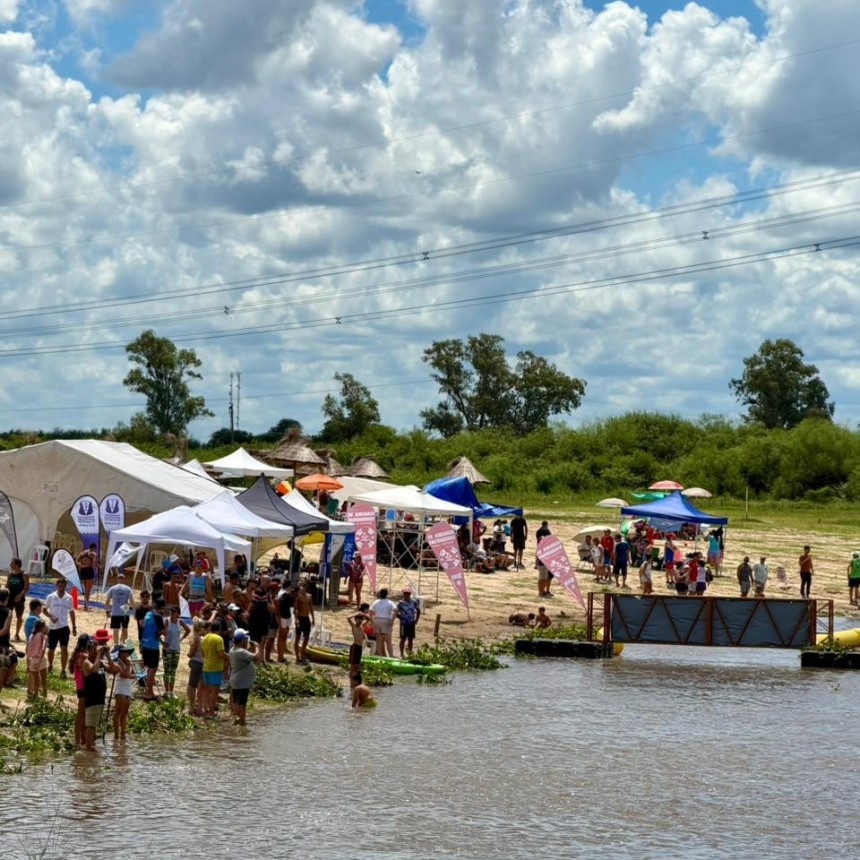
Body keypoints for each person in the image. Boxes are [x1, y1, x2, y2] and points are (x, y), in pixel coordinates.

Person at [81, 633, 118, 751]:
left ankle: (91, 748)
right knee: (90, 726)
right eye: (93, 649)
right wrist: (98, 654)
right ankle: (89, 749)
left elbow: (114, 670)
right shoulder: (86, 662)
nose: (96, 651)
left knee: (94, 725)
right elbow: (93, 669)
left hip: (99, 699)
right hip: (92, 699)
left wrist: (107, 655)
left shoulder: (100, 661)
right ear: (89, 650)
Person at [44, 578, 77, 676]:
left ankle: (63, 670)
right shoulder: (51, 597)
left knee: (64, 649)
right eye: (60, 586)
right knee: (51, 649)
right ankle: (50, 665)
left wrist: (74, 626)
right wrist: (51, 617)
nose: (62, 588)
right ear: (57, 586)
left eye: (63, 586)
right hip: (52, 627)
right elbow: (44, 609)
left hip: (63, 627)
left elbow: (71, 612)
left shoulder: (69, 598)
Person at [229, 629, 261, 726]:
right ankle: (241, 721)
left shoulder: (234, 649)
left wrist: (250, 649)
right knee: (241, 703)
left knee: (237, 701)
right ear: (241, 640)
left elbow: (246, 655)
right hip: (242, 682)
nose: (247, 640)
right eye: (245, 638)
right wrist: (257, 647)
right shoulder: (240, 652)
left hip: (237, 680)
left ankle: (237, 720)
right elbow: (256, 658)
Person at [140, 598, 166, 700]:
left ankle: (149, 691)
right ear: (161, 608)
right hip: (153, 646)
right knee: (152, 669)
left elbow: (151, 630)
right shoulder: (158, 616)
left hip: (145, 643)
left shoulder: (148, 614)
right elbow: (164, 631)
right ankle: (149, 692)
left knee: (148, 668)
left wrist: (162, 642)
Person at [200, 619, 227, 718]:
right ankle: (211, 712)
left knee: (206, 690)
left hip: (206, 667)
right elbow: (221, 654)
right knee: (214, 692)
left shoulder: (205, 638)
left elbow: (203, 653)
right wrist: (229, 657)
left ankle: (206, 709)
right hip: (215, 668)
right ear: (219, 629)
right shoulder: (218, 639)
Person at [162, 605, 190, 698]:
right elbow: (159, 632)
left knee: (173, 671)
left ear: (178, 613)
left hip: (176, 649)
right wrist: (162, 642)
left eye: (174, 612)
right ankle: (166, 691)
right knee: (167, 670)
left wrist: (181, 639)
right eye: (171, 612)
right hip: (168, 649)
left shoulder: (180, 622)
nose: (172, 613)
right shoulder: (167, 621)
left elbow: (188, 630)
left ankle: (171, 691)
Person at [112, 644, 136, 740]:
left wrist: (129, 667)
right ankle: (116, 734)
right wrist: (128, 666)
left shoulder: (128, 662)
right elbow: (124, 675)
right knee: (118, 712)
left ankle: (123, 733)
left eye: (128, 652)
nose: (127, 653)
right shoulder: (118, 662)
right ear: (120, 653)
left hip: (128, 688)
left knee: (125, 713)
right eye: (125, 652)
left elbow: (134, 674)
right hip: (120, 689)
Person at [104, 571, 134, 645]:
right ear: (124, 580)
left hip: (115, 612)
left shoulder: (112, 588)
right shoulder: (128, 589)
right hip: (125, 612)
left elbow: (107, 601)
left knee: (116, 630)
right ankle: (123, 642)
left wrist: (107, 611)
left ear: (117, 580)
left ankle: (116, 644)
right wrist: (131, 608)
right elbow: (132, 601)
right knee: (125, 629)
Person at [0, 588, 19, 696]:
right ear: (7, 598)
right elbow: (5, 630)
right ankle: (6, 682)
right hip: (2, 644)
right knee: (4, 667)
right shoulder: (9, 612)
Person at [186, 618, 206, 716]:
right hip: (198, 663)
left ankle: (195, 706)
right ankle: (194, 706)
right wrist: (189, 654)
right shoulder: (198, 638)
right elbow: (193, 651)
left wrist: (189, 655)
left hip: (197, 662)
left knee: (196, 685)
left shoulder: (194, 636)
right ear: (201, 628)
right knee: (195, 685)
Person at [6, 557, 29, 641]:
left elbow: (26, 587)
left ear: (17, 565)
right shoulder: (10, 574)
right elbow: (7, 585)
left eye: (12, 563)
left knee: (19, 617)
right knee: (8, 616)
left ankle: (17, 634)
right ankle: (7, 633)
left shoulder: (24, 575)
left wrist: (20, 595)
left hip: (19, 599)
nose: (10, 565)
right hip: (9, 599)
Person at [369, 588, 397, 658]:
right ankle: (391, 655)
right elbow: (395, 610)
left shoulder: (376, 602)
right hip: (386, 620)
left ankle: (380, 655)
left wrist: (372, 621)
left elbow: (371, 612)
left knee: (379, 640)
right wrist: (392, 619)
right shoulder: (390, 602)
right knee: (388, 640)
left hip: (377, 620)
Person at [26, 619, 48, 700]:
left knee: (36, 681)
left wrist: (28, 663)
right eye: (45, 626)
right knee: (44, 680)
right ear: (42, 628)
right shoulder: (44, 636)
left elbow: (27, 649)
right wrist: (39, 662)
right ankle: (44, 697)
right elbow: (43, 649)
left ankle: (35, 696)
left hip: (32, 659)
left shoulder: (31, 635)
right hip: (40, 659)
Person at [293, 583, 315, 665]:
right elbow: (295, 609)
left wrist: (313, 619)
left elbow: (311, 608)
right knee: (297, 638)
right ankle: (297, 657)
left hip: (306, 618)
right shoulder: (298, 597)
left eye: (303, 586)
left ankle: (302, 655)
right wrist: (296, 619)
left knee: (306, 637)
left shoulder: (309, 596)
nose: (302, 588)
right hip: (300, 618)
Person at [395, 588, 420, 658]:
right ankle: (401, 653)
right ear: (403, 594)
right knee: (402, 638)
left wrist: (416, 620)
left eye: (408, 594)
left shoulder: (414, 602)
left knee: (410, 639)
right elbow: (395, 611)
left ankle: (410, 653)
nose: (406, 595)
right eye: (405, 594)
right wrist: (400, 617)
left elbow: (418, 610)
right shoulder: (400, 603)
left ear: (410, 594)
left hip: (411, 623)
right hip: (403, 624)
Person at [347, 605, 369, 674]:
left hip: (360, 647)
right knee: (353, 664)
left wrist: (363, 614)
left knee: (357, 664)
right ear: (356, 619)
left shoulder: (362, 627)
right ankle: (351, 675)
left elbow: (369, 619)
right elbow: (348, 618)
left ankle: (354, 675)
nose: (359, 621)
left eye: (361, 619)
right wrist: (356, 614)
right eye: (358, 619)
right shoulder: (354, 626)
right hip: (355, 646)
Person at [76, 543, 98, 611]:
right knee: (88, 591)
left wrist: (81, 565)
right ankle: (85, 607)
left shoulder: (82, 553)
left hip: (82, 571)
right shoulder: (94, 554)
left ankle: (85, 605)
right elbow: (94, 564)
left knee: (86, 590)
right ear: (94, 548)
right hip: (89, 571)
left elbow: (76, 560)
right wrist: (98, 567)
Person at [276, 582, 294, 663]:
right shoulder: (282, 595)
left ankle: (282, 655)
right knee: (281, 637)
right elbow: (279, 610)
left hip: (287, 616)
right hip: (283, 617)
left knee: (284, 636)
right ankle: (280, 656)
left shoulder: (286, 596)